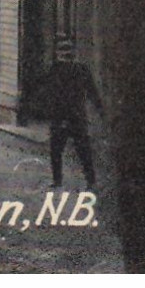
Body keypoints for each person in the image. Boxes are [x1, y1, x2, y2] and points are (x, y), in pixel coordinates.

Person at [36, 38, 103, 188]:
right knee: (80, 149)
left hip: (64, 116)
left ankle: (59, 180)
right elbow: (92, 92)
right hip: (74, 115)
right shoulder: (79, 69)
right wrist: (99, 109)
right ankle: (89, 181)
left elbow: (46, 92)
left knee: (60, 150)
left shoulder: (55, 69)